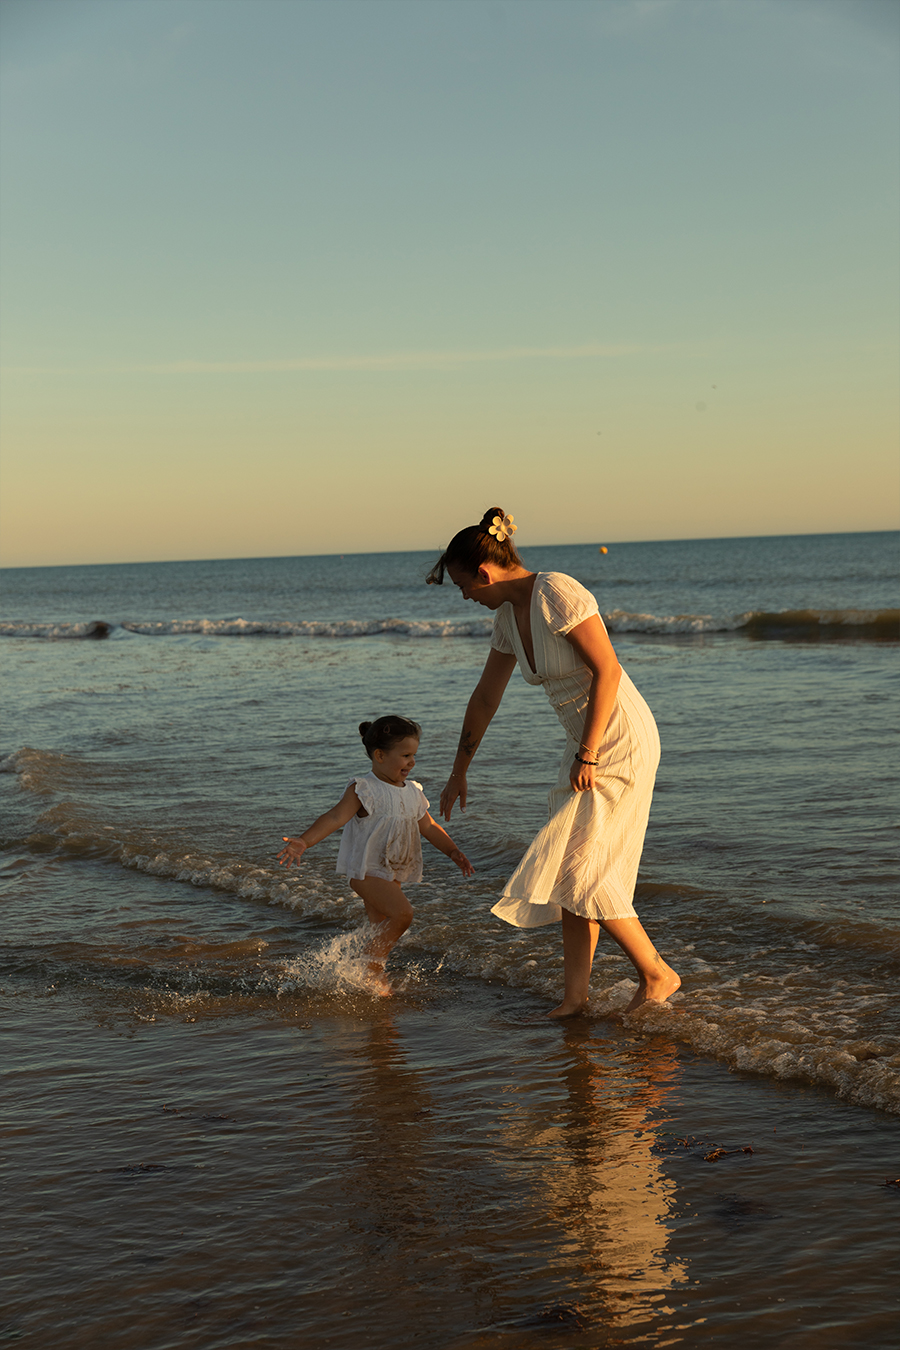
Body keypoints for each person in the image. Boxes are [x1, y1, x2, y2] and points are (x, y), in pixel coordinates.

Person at [428, 508, 680, 1018]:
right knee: (572, 868)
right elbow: (484, 698)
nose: (464, 598)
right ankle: (575, 997)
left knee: (580, 868)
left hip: (618, 737)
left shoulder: (557, 592)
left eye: (461, 586)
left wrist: (589, 752)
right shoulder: (506, 620)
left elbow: (608, 670)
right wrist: (459, 771)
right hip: (582, 742)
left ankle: (657, 974)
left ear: (484, 573)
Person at [277, 715, 474, 995]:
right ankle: (368, 968)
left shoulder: (413, 792)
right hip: (366, 871)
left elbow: (428, 826)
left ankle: (363, 980)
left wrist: (452, 850)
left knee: (380, 927)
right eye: (405, 755)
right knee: (403, 915)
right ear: (380, 755)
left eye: (414, 755)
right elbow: (335, 817)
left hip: (392, 870)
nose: (412, 762)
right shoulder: (364, 789)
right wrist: (304, 842)